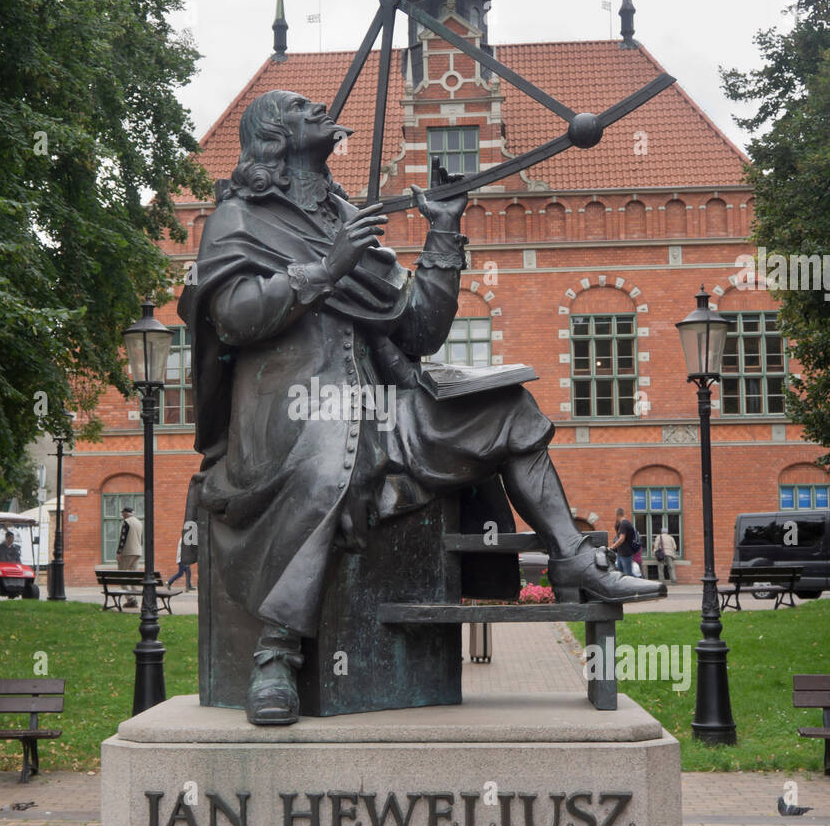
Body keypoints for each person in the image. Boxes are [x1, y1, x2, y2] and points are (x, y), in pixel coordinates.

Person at [180, 89, 664, 727]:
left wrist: (442, 231)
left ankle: (572, 556)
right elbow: (235, 318)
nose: (321, 108)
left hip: (380, 404)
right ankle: (277, 654)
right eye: (302, 106)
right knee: (329, 464)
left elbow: (416, 332)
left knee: (507, 409)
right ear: (273, 135)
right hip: (289, 408)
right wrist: (325, 270)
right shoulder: (239, 219)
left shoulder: (343, 217)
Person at [116, 507, 143, 608]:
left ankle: (130, 599)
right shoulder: (139, 522)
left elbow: (123, 538)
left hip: (127, 551)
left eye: (122, 514)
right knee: (133, 576)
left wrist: (119, 552)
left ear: (126, 514)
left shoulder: (126, 522)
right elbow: (142, 539)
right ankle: (134, 599)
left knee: (120, 575)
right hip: (138, 551)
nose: (122, 516)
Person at [611, 512, 640, 578]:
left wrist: (612, 547)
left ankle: (640, 582)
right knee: (620, 574)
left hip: (625, 553)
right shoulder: (624, 524)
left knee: (628, 574)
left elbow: (622, 539)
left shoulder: (624, 524)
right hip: (620, 553)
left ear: (617, 515)